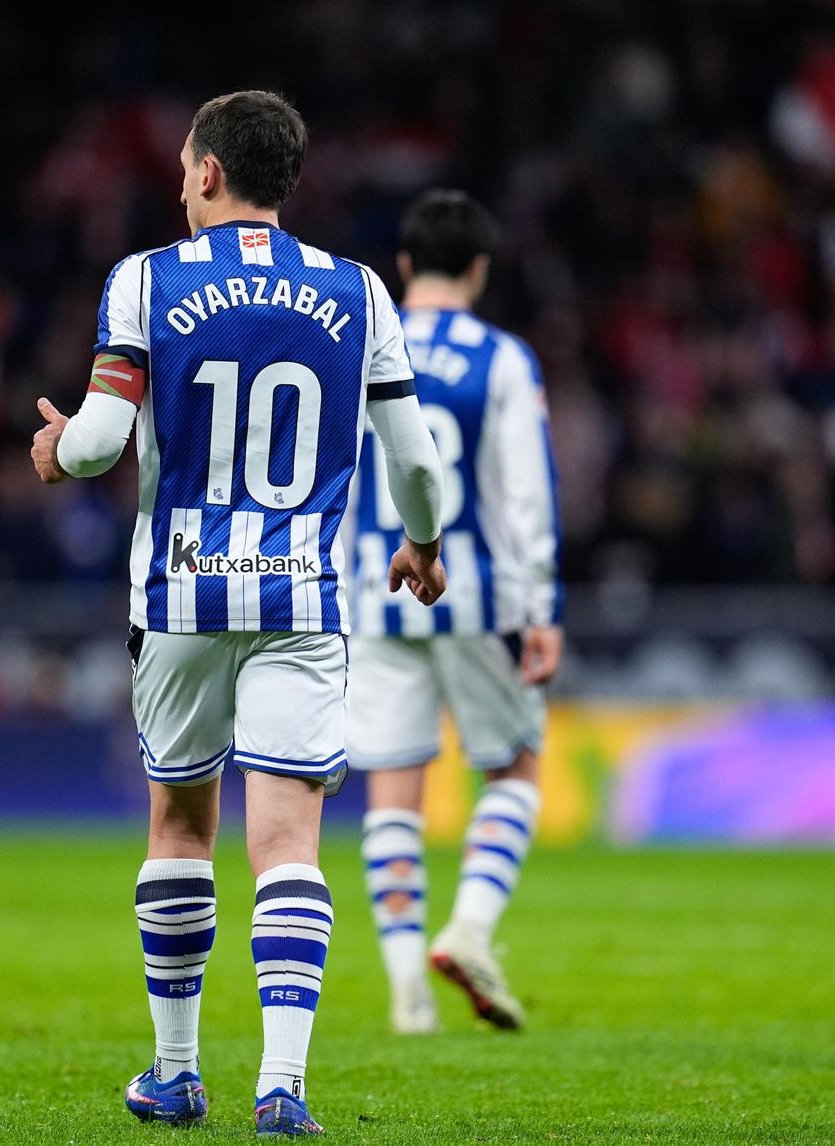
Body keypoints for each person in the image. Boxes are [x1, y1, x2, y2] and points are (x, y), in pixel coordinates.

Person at [30, 91, 447, 1137]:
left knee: (179, 820)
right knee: (287, 840)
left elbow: (92, 446)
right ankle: (284, 1086)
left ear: (209, 173)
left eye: (182, 168)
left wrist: (51, 451)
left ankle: (175, 1076)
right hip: (300, 594)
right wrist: (423, 545)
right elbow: (415, 464)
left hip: (179, 591)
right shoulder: (357, 293)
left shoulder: (144, 281)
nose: (178, 184)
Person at [346, 189, 563, 1035]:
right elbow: (526, 493)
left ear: (404, 265)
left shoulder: (362, 343)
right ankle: (469, 928)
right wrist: (543, 603)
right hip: (475, 593)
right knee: (515, 768)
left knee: (394, 788)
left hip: (372, 590)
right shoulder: (502, 358)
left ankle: (406, 989)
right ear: (479, 268)